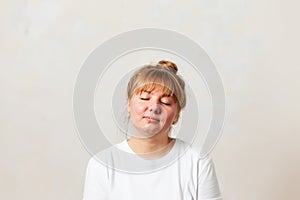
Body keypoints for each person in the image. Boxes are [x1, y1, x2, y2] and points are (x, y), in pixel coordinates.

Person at [83, 60, 222, 200]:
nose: (154, 107)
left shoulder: (197, 161)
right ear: (129, 104)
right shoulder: (102, 164)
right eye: (144, 98)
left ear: (177, 114)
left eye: (166, 102)